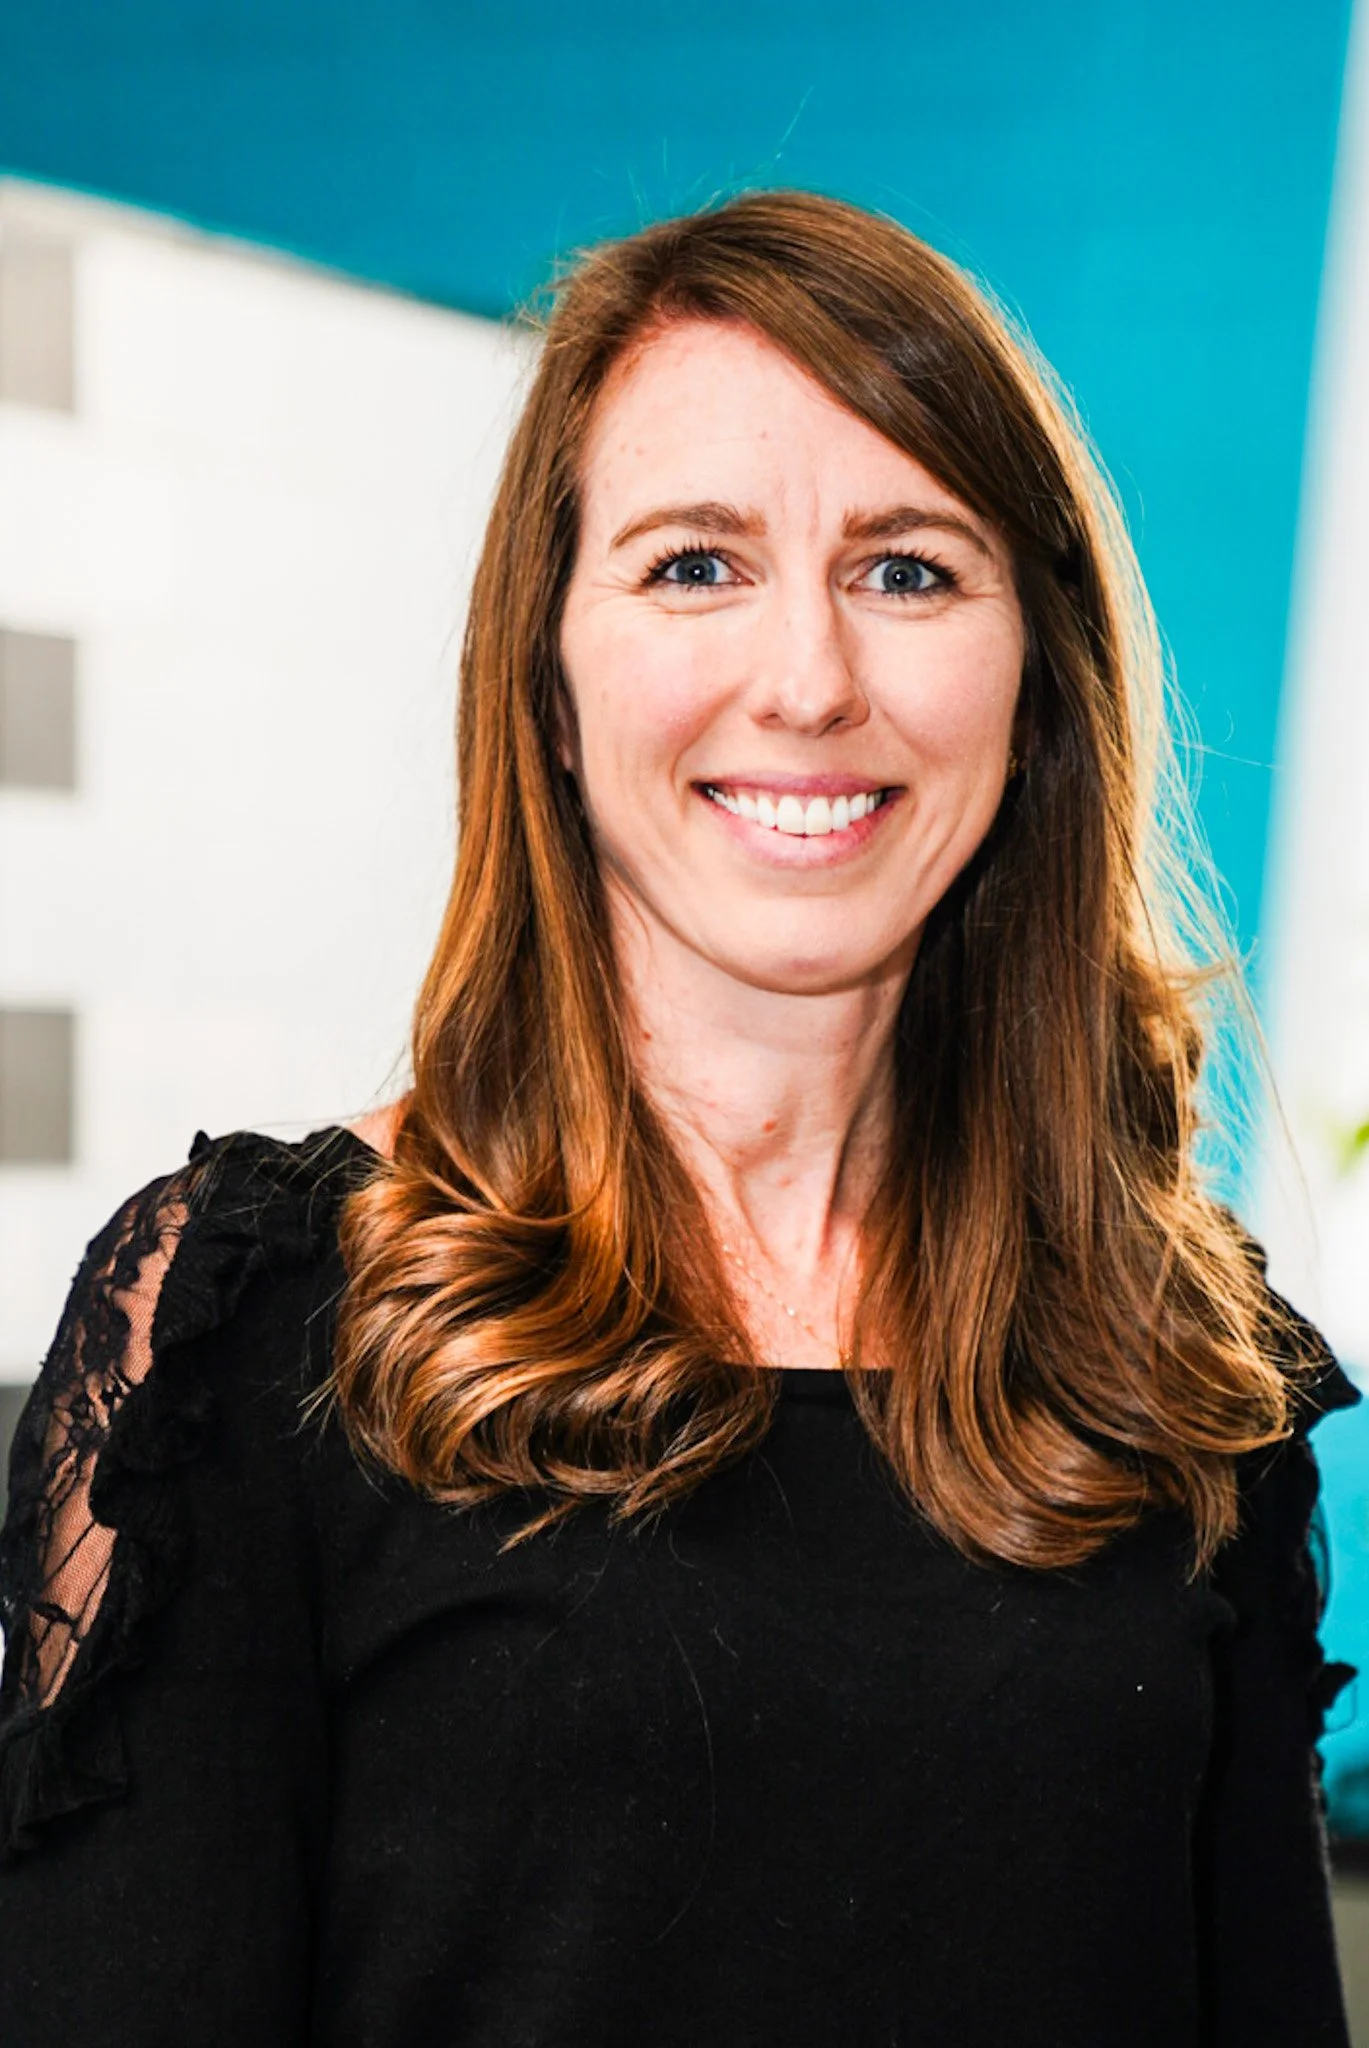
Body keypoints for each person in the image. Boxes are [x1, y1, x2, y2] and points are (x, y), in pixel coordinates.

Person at [0, 190, 1358, 2047]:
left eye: (908, 568)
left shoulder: (1181, 1371)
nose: (807, 678)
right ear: (548, 683)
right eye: (693, 565)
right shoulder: (237, 1331)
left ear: (1035, 683)